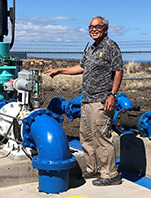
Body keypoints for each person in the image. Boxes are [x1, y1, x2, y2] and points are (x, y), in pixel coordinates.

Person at [44, 16, 123, 186]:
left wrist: (112, 95)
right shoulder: (91, 48)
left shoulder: (110, 46)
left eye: (98, 27)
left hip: (101, 100)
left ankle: (110, 174)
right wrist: (60, 70)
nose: (94, 29)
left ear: (105, 29)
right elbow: (81, 67)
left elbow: (118, 71)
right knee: (86, 136)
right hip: (87, 100)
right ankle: (93, 169)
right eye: (91, 27)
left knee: (101, 136)